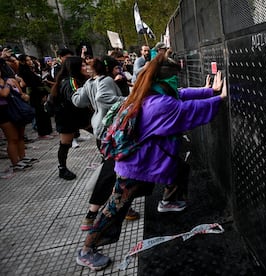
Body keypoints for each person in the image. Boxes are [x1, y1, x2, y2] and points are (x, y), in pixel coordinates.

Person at [75, 53, 227, 271]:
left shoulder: (148, 91)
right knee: (115, 208)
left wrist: (208, 90)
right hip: (136, 167)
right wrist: (219, 98)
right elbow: (186, 110)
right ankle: (87, 250)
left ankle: (169, 201)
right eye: (175, 77)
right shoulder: (159, 104)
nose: (177, 82)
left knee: (180, 167)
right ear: (166, 79)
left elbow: (180, 95)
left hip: (146, 161)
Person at [72, 56, 139, 231]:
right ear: (109, 69)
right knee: (111, 171)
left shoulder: (91, 82)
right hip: (110, 132)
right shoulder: (106, 80)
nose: (120, 71)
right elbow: (104, 98)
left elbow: (78, 101)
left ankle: (120, 207)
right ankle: (92, 215)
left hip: (101, 132)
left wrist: (81, 89)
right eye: (117, 68)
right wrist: (130, 100)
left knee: (112, 170)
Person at [51, 56, 90, 180]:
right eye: (83, 66)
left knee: (100, 134)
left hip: (79, 116)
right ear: (76, 68)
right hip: (67, 118)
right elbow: (76, 98)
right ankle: (62, 169)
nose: (86, 68)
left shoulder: (77, 79)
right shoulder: (70, 81)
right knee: (65, 143)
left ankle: (105, 159)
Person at [0, 70, 37, 171]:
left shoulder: (9, 80)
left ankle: (22, 157)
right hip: (3, 113)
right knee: (12, 138)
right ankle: (15, 163)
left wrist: (24, 95)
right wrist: (8, 85)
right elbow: (3, 94)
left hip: (17, 109)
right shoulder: (8, 82)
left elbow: (20, 93)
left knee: (20, 136)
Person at [17, 54, 53, 139]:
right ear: (23, 62)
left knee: (44, 113)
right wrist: (42, 94)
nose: (30, 62)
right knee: (40, 114)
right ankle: (42, 133)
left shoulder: (30, 70)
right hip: (35, 95)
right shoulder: (24, 72)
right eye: (27, 60)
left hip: (39, 93)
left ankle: (47, 131)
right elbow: (32, 85)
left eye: (30, 60)